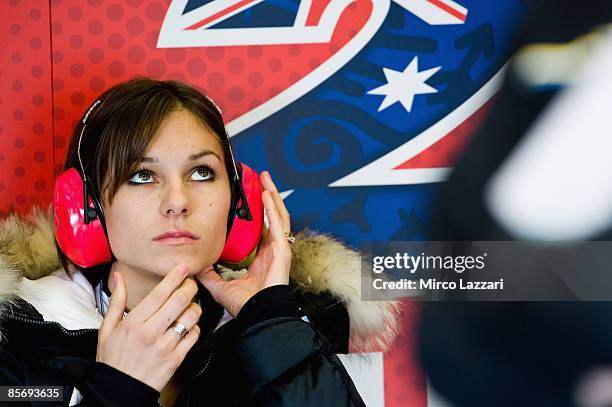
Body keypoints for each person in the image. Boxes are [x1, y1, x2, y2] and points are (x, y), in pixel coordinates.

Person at [0, 78, 399, 406]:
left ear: (237, 202)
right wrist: (114, 392)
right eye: (141, 175)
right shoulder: (17, 337)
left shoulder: (292, 329)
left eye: (202, 173)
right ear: (86, 208)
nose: (177, 202)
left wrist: (272, 320)